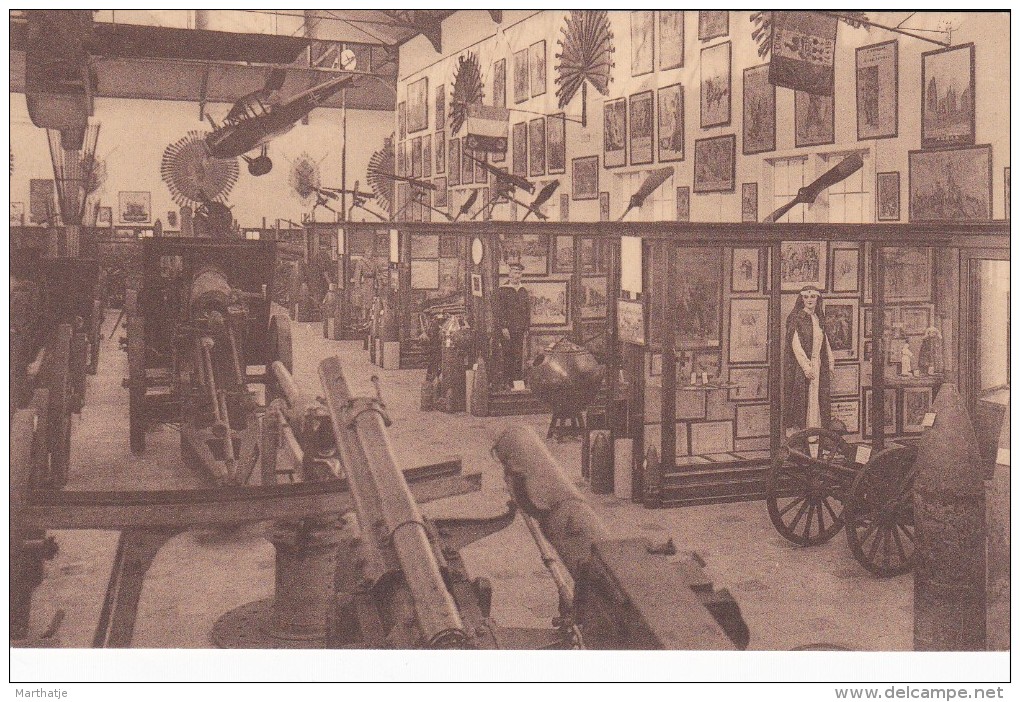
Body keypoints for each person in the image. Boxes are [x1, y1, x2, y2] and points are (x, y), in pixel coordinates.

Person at [783, 286, 836, 433]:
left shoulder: (818, 318)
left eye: (813, 297)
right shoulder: (796, 318)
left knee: (819, 399)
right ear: (801, 299)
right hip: (803, 367)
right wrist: (806, 367)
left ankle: (817, 436)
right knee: (804, 399)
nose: (809, 300)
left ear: (818, 299)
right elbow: (796, 346)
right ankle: (803, 437)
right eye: (806, 297)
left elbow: (825, 343)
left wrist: (830, 363)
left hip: (819, 365)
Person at [492, 262, 530, 387]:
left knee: (518, 356)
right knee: (508, 355)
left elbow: (527, 311)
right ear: (509, 274)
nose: (517, 276)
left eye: (519, 273)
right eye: (514, 273)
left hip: (520, 329)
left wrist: (526, 328)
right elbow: (498, 311)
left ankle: (517, 382)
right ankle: (507, 382)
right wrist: (503, 327)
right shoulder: (502, 290)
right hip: (506, 330)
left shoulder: (523, 291)